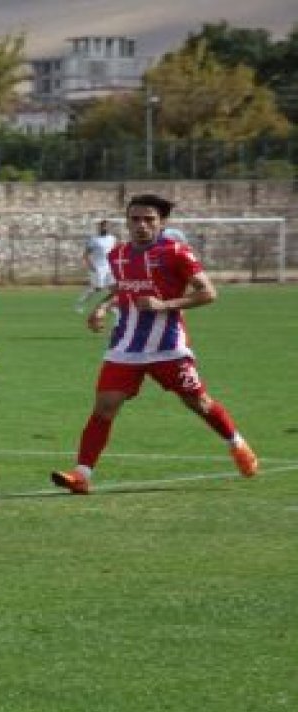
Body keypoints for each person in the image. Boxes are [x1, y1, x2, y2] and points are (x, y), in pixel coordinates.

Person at [51, 194, 258, 495]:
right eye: (135, 219)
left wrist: (165, 304)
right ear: (127, 221)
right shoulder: (118, 254)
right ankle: (81, 475)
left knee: (198, 403)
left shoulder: (176, 252)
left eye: (149, 219)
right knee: (104, 408)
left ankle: (237, 445)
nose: (141, 225)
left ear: (162, 222)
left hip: (168, 347)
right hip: (125, 347)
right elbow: (123, 286)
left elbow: (208, 293)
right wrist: (102, 307)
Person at [75, 219, 117, 312]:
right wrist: (91, 265)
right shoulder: (94, 239)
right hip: (98, 267)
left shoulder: (112, 238)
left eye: (107, 226)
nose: (105, 228)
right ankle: (80, 303)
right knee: (98, 288)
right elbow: (85, 254)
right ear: (100, 227)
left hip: (110, 267)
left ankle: (109, 306)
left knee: (115, 289)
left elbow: (114, 252)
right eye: (103, 226)